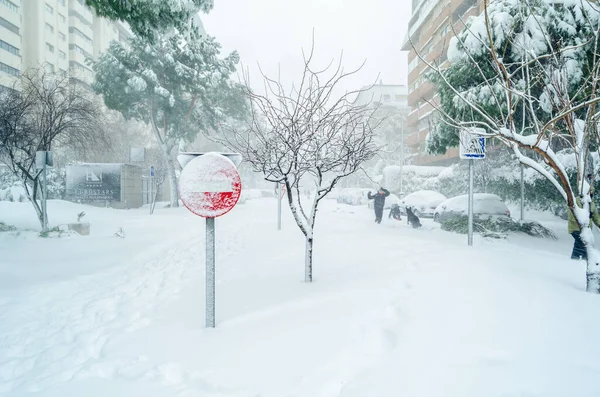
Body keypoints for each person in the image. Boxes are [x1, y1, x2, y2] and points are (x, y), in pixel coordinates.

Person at [568, 190, 600, 260]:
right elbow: (572, 215)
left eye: (592, 192)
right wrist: (585, 217)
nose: (591, 194)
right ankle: (583, 259)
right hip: (576, 228)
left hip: (586, 229)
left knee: (579, 244)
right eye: (590, 192)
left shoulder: (592, 203)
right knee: (584, 244)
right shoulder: (576, 200)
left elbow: (596, 218)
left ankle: (575, 259)